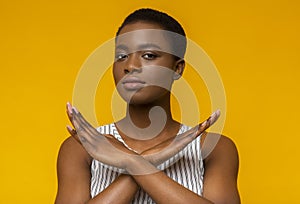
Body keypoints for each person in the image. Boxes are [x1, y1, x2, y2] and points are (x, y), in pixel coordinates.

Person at [55, 8, 240, 204]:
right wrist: (146, 161)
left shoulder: (213, 148)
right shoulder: (83, 147)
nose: (131, 66)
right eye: (121, 56)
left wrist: (131, 161)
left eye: (149, 55)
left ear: (177, 68)